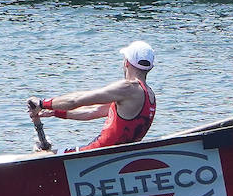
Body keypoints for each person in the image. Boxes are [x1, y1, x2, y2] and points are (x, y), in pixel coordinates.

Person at [28, 40, 157, 152]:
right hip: (112, 154)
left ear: (126, 62)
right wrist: (56, 112)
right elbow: (92, 111)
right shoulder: (149, 95)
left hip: (96, 153)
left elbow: (75, 100)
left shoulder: (128, 88)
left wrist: (42, 103)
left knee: (41, 155)